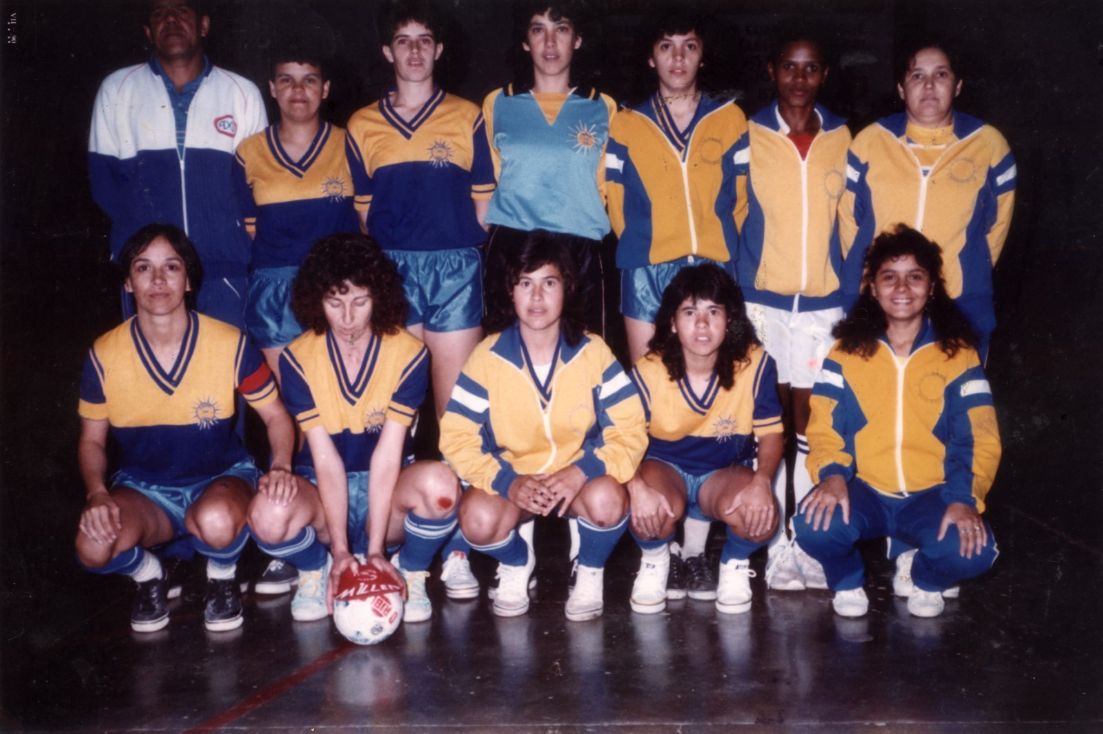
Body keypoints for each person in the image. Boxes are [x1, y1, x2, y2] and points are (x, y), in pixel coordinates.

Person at [343, 1, 495, 600]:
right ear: (387, 51)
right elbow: (363, 216)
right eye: (402, 40)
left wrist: (453, 247)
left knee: (456, 416)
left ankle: (454, 549)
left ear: (438, 50)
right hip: (391, 274)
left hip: (454, 267)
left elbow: (484, 207)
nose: (413, 50)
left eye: (424, 40)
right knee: (393, 417)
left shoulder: (467, 115)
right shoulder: (361, 125)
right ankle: (387, 541)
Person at [75, 224, 296, 633]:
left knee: (215, 521)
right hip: (145, 490)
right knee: (93, 546)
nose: (158, 280)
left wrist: (280, 465)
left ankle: (222, 576)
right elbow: (91, 441)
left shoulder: (230, 344)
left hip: (221, 479)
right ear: (128, 281)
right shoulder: (104, 354)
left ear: (188, 279)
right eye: (143, 268)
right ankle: (148, 575)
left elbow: (278, 416)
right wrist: (98, 493)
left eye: (171, 267)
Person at [246, 233, 461, 624]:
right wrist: (341, 550)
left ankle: (409, 569)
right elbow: (325, 460)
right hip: (327, 497)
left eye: (359, 301)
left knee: (442, 486)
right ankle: (317, 567)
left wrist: (376, 549)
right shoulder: (297, 358)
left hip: (388, 489)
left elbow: (387, 454)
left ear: (378, 297)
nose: (347, 318)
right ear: (316, 300)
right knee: (265, 513)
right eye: (335, 302)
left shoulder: (409, 353)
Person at [796, 225, 1001, 619]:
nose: (902, 287)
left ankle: (923, 577)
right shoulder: (846, 353)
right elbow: (823, 426)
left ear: (932, 287)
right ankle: (846, 581)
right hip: (866, 490)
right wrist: (834, 475)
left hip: (932, 494)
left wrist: (963, 499)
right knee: (813, 526)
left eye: (915, 276)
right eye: (889, 277)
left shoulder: (959, 356)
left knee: (970, 552)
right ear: (872, 288)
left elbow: (978, 436)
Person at [440, 233, 647, 621]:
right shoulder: (486, 357)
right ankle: (518, 562)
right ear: (511, 291)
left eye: (548, 283)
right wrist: (507, 482)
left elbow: (631, 428)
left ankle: (588, 571)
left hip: (575, 481)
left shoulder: (593, 351)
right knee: (477, 520)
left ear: (566, 288)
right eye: (525, 283)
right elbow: (456, 436)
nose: (537, 298)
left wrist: (582, 470)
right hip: (515, 481)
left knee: (609, 501)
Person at [729, 29, 852, 593]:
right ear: (772, 71)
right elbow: (728, 217)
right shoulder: (747, 137)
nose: (799, 79)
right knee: (770, 423)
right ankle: (776, 546)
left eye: (811, 68)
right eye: (788, 67)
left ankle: (809, 542)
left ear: (824, 75)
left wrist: (848, 296)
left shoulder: (846, 139)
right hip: (763, 304)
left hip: (823, 308)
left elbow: (854, 226)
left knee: (812, 422)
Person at [89, 0, 268, 329]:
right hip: (149, 273)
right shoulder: (117, 90)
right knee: (154, 373)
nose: (170, 19)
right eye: (159, 14)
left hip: (222, 268)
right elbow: (104, 183)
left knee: (222, 373)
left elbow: (259, 184)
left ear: (204, 25)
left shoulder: (242, 94)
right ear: (148, 31)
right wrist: (144, 251)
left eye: (182, 11)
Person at [838, 40, 1016, 362]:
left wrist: (964, 272)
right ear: (901, 89)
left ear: (958, 85)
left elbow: (996, 228)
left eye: (941, 74)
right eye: (917, 76)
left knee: (954, 404)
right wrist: (872, 283)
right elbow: (850, 224)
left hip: (960, 301)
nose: (930, 86)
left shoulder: (989, 146)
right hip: (881, 302)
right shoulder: (870, 142)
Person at [626, 264, 783, 615]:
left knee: (760, 513)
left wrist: (762, 481)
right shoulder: (649, 370)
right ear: (671, 322)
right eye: (689, 312)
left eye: (713, 311)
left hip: (722, 473)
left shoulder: (755, 364)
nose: (701, 324)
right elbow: (619, 439)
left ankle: (732, 567)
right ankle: (655, 562)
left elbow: (772, 432)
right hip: (665, 468)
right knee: (651, 507)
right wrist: (636, 489)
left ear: (729, 321)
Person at [606, 10, 748, 364]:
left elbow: (741, 200)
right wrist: (648, 246)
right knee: (650, 381)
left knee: (713, 382)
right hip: (647, 270)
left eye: (690, 46)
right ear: (650, 57)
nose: (679, 57)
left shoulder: (730, 119)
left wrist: (716, 244)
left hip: (713, 265)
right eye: (666, 46)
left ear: (703, 55)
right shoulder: (626, 123)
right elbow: (617, 203)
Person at [481, 1, 618, 338]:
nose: (551, 43)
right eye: (538, 29)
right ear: (525, 41)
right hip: (514, 245)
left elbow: (605, 190)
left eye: (562, 29)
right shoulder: (498, 102)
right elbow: (492, 182)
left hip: (581, 246)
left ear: (578, 39)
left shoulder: (603, 106)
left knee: (585, 357)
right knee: (508, 353)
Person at [232, 45, 359, 380]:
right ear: (272, 88)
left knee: (340, 400)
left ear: (325, 88)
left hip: (339, 288)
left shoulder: (351, 144)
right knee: (292, 408)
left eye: (310, 80)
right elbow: (251, 231)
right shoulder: (249, 153)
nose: (298, 90)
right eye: (287, 80)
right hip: (275, 292)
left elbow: (365, 222)